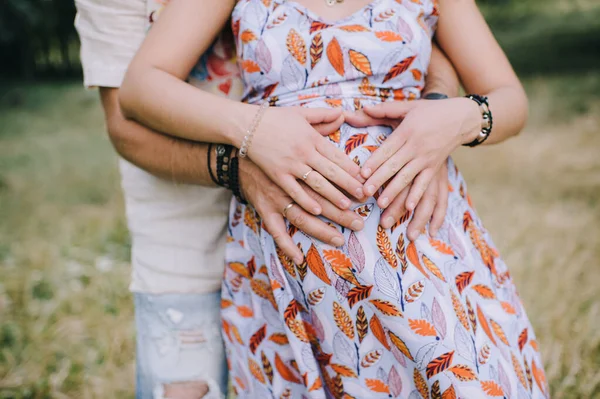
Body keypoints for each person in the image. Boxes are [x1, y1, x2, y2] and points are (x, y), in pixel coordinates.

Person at [120, 0, 549, 397]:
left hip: (422, 244)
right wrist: (253, 128)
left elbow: (510, 98)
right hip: (292, 260)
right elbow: (141, 87)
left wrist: (459, 117)